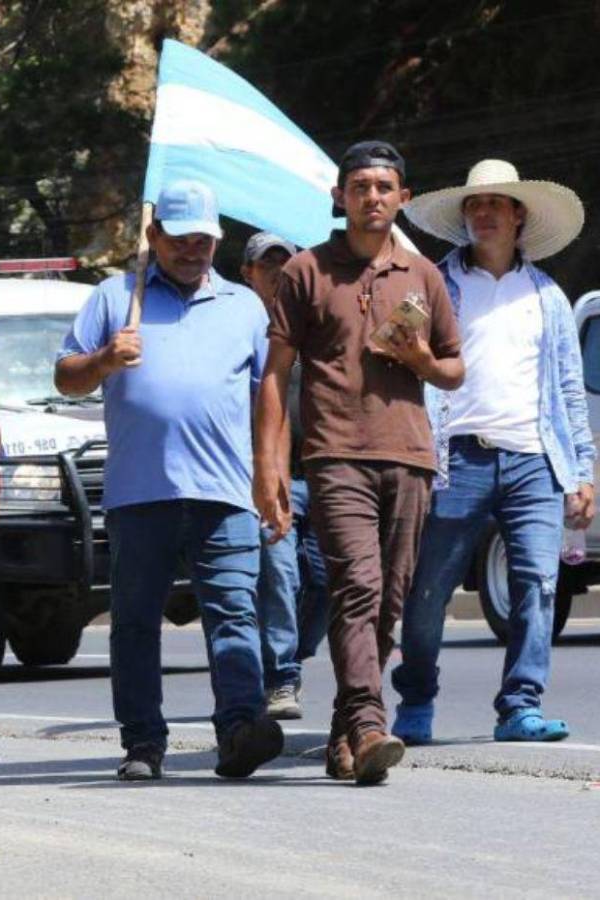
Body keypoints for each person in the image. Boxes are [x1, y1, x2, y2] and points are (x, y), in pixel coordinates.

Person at [56, 180, 282, 781]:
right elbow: (66, 377)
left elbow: (269, 398)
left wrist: (270, 473)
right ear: (154, 238)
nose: (192, 251)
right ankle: (142, 743)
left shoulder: (244, 306)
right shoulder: (113, 298)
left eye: (203, 241)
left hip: (225, 493)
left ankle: (239, 730)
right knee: (133, 622)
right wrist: (105, 358)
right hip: (139, 493)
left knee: (235, 614)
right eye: (180, 240)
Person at [254, 142, 464, 784]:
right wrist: (270, 467)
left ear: (402, 197)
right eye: (360, 186)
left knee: (387, 602)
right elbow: (275, 374)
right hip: (335, 454)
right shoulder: (305, 272)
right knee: (357, 587)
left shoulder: (424, 274)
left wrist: (424, 362)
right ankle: (372, 723)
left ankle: (347, 729)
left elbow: (455, 368)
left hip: (408, 456)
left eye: (384, 186)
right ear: (339, 197)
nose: (373, 197)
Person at [392, 160, 593, 744]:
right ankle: (416, 700)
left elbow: (566, 391)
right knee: (428, 588)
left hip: (534, 459)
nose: (483, 214)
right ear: (464, 219)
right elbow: (395, 353)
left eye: (495, 205)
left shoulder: (548, 296)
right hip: (456, 457)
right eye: (474, 206)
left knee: (538, 583)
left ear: (518, 216)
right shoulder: (433, 283)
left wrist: (582, 471)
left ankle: (520, 706)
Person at [240, 233, 329, 720]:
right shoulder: (239, 325)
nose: (278, 272)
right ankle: (281, 676)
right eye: (266, 264)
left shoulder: (314, 321)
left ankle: (290, 656)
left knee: (324, 581)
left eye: (286, 263)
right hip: (268, 476)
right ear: (247, 272)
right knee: (278, 575)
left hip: (325, 475)